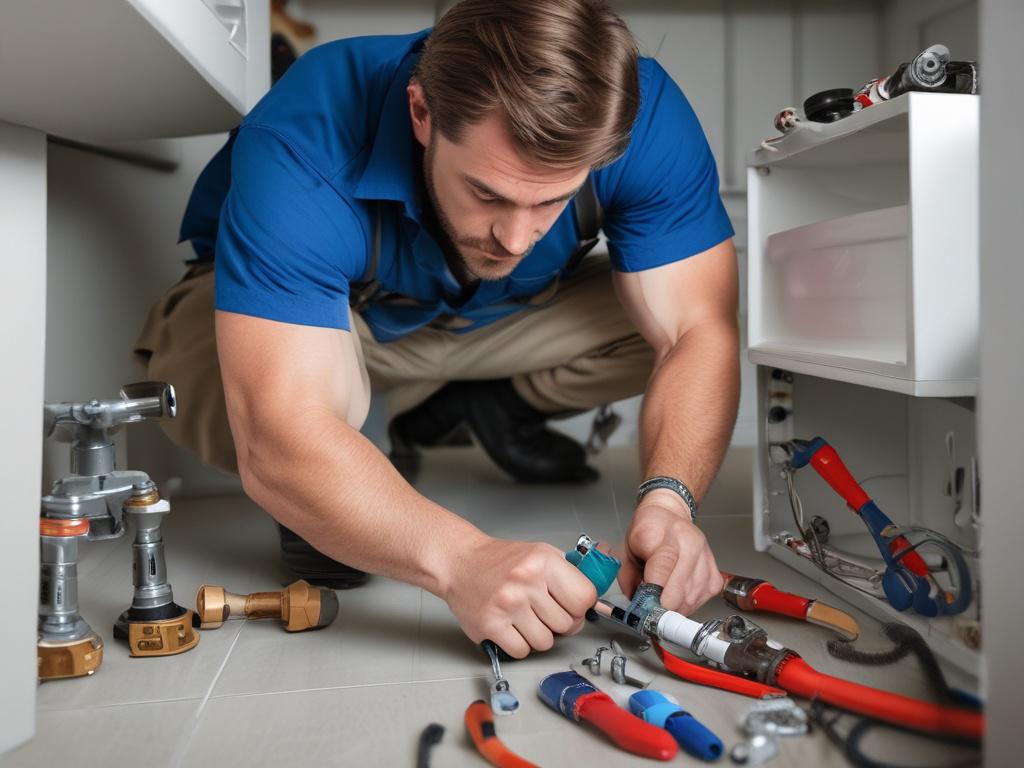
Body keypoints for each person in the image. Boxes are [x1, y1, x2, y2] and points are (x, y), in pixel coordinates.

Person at [135, 0, 739, 659]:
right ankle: (344, 446)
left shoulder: (639, 116)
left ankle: (486, 408)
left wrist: (670, 500)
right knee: (223, 391)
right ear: (422, 113)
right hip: (324, 331)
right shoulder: (307, 131)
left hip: (490, 319)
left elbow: (696, 333)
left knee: (690, 315)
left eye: (552, 200)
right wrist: (460, 559)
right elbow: (276, 438)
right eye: (487, 193)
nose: (515, 237)